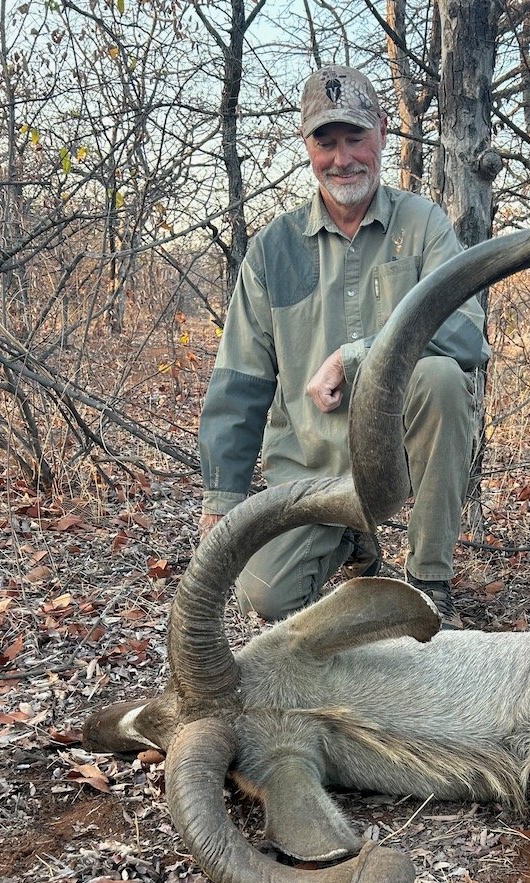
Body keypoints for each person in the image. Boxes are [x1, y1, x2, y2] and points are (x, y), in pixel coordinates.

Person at [197, 64, 490, 629]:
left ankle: (429, 585)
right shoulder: (272, 250)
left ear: (382, 130)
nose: (343, 158)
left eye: (356, 137)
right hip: (311, 469)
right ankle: (355, 543)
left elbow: (467, 334)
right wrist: (222, 499)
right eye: (326, 142)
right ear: (307, 147)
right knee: (263, 596)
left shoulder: (424, 225)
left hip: (397, 458)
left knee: (445, 380)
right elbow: (240, 383)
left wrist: (356, 356)